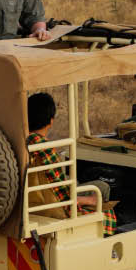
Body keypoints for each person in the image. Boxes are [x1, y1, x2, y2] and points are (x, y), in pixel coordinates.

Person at [26, 92, 118, 235]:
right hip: (54, 208)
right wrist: (87, 200)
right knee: (103, 187)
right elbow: (63, 197)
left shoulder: (22, 143)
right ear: (51, 121)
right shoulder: (45, 150)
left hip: (33, 202)